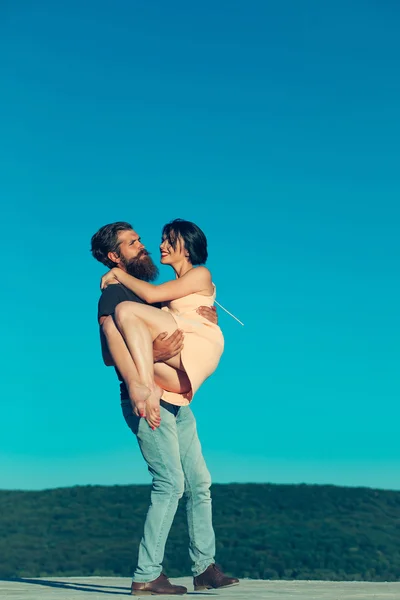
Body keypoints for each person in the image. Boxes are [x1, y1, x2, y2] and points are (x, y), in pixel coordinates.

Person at [91, 221, 239, 596]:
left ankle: (204, 567)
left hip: (176, 399)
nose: (145, 246)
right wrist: (143, 384)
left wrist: (199, 319)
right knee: (170, 483)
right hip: (146, 397)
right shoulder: (116, 293)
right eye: (133, 243)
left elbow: (182, 306)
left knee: (199, 482)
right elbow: (110, 349)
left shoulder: (151, 294)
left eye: (143, 240)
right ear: (114, 257)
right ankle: (147, 574)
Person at [99, 218, 224, 431]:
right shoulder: (160, 295)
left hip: (197, 344)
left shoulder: (200, 273)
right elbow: (111, 354)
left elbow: (151, 294)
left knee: (125, 310)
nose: (160, 246)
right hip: (177, 379)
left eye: (169, 241)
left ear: (187, 248)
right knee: (112, 325)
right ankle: (148, 388)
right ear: (114, 255)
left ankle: (144, 387)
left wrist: (116, 273)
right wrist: (153, 353)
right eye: (162, 240)